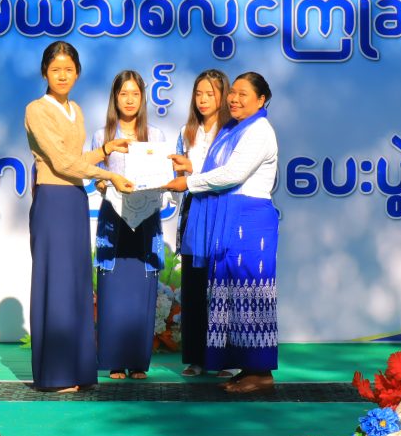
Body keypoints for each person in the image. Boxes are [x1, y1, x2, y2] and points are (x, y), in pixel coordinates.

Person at [24, 41, 134, 392]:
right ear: (45, 72)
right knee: (57, 283)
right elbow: (59, 162)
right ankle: (55, 375)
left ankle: (80, 369)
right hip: (52, 199)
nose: (62, 76)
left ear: (77, 73)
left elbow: (76, 160)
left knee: (76, 284)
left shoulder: (77, 110)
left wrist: (104, 151)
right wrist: (109, 174)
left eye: (69, 70)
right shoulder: (37, 109)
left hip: (74, 198)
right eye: (56, 69)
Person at [165, 72, 279, 394]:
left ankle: (261, 372)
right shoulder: (234, 130)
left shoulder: (259, 130)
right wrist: (192, 172)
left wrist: (189, 182)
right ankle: (247, 368)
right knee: (234, 298)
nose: (235, 99)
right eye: (234, 93)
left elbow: (233, 174)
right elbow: (218, 172)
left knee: (252, 295)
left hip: (250, 221)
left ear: (261, 100)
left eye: (244, 94)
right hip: (233, 220)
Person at [91, 70, 166, 380]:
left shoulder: (156, 136)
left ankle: (137, 362)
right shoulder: (102, 136)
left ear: (143, 98)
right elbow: (95, 175)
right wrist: (102, 184)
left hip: (146, 218)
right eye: (124, 93)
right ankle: (113, 360)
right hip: (114, 217)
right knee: (113, 289)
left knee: (140, 292)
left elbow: (163, 175)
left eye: (135, 93)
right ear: (115, 98)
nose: (130, 99)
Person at [174, 69, 231, 378]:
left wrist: (192, 170)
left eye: (210, 94)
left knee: (221, 286)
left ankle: (222, 358)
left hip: (221, 210)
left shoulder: (232, 131)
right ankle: (195, 358)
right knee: (194, 286)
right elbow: (180, 177)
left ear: (223, 96)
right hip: (194, 211)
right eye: (199, 94)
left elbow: (227, 174)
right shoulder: (187, 131)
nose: (203, 99)